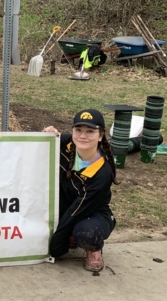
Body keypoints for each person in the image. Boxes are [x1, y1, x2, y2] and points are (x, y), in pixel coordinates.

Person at [43, 109, 119, 272]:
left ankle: (93, 248)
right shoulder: (64, 143)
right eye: (79, 130)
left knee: (86, 234)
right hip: (64, 204)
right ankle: (70, 234)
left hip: (90, 211)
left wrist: (57, 246)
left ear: (100, 135)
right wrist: (46, 136)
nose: (83, 136)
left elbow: (77, 211)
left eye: (90, 131)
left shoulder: (102, 173)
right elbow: (32, 148)